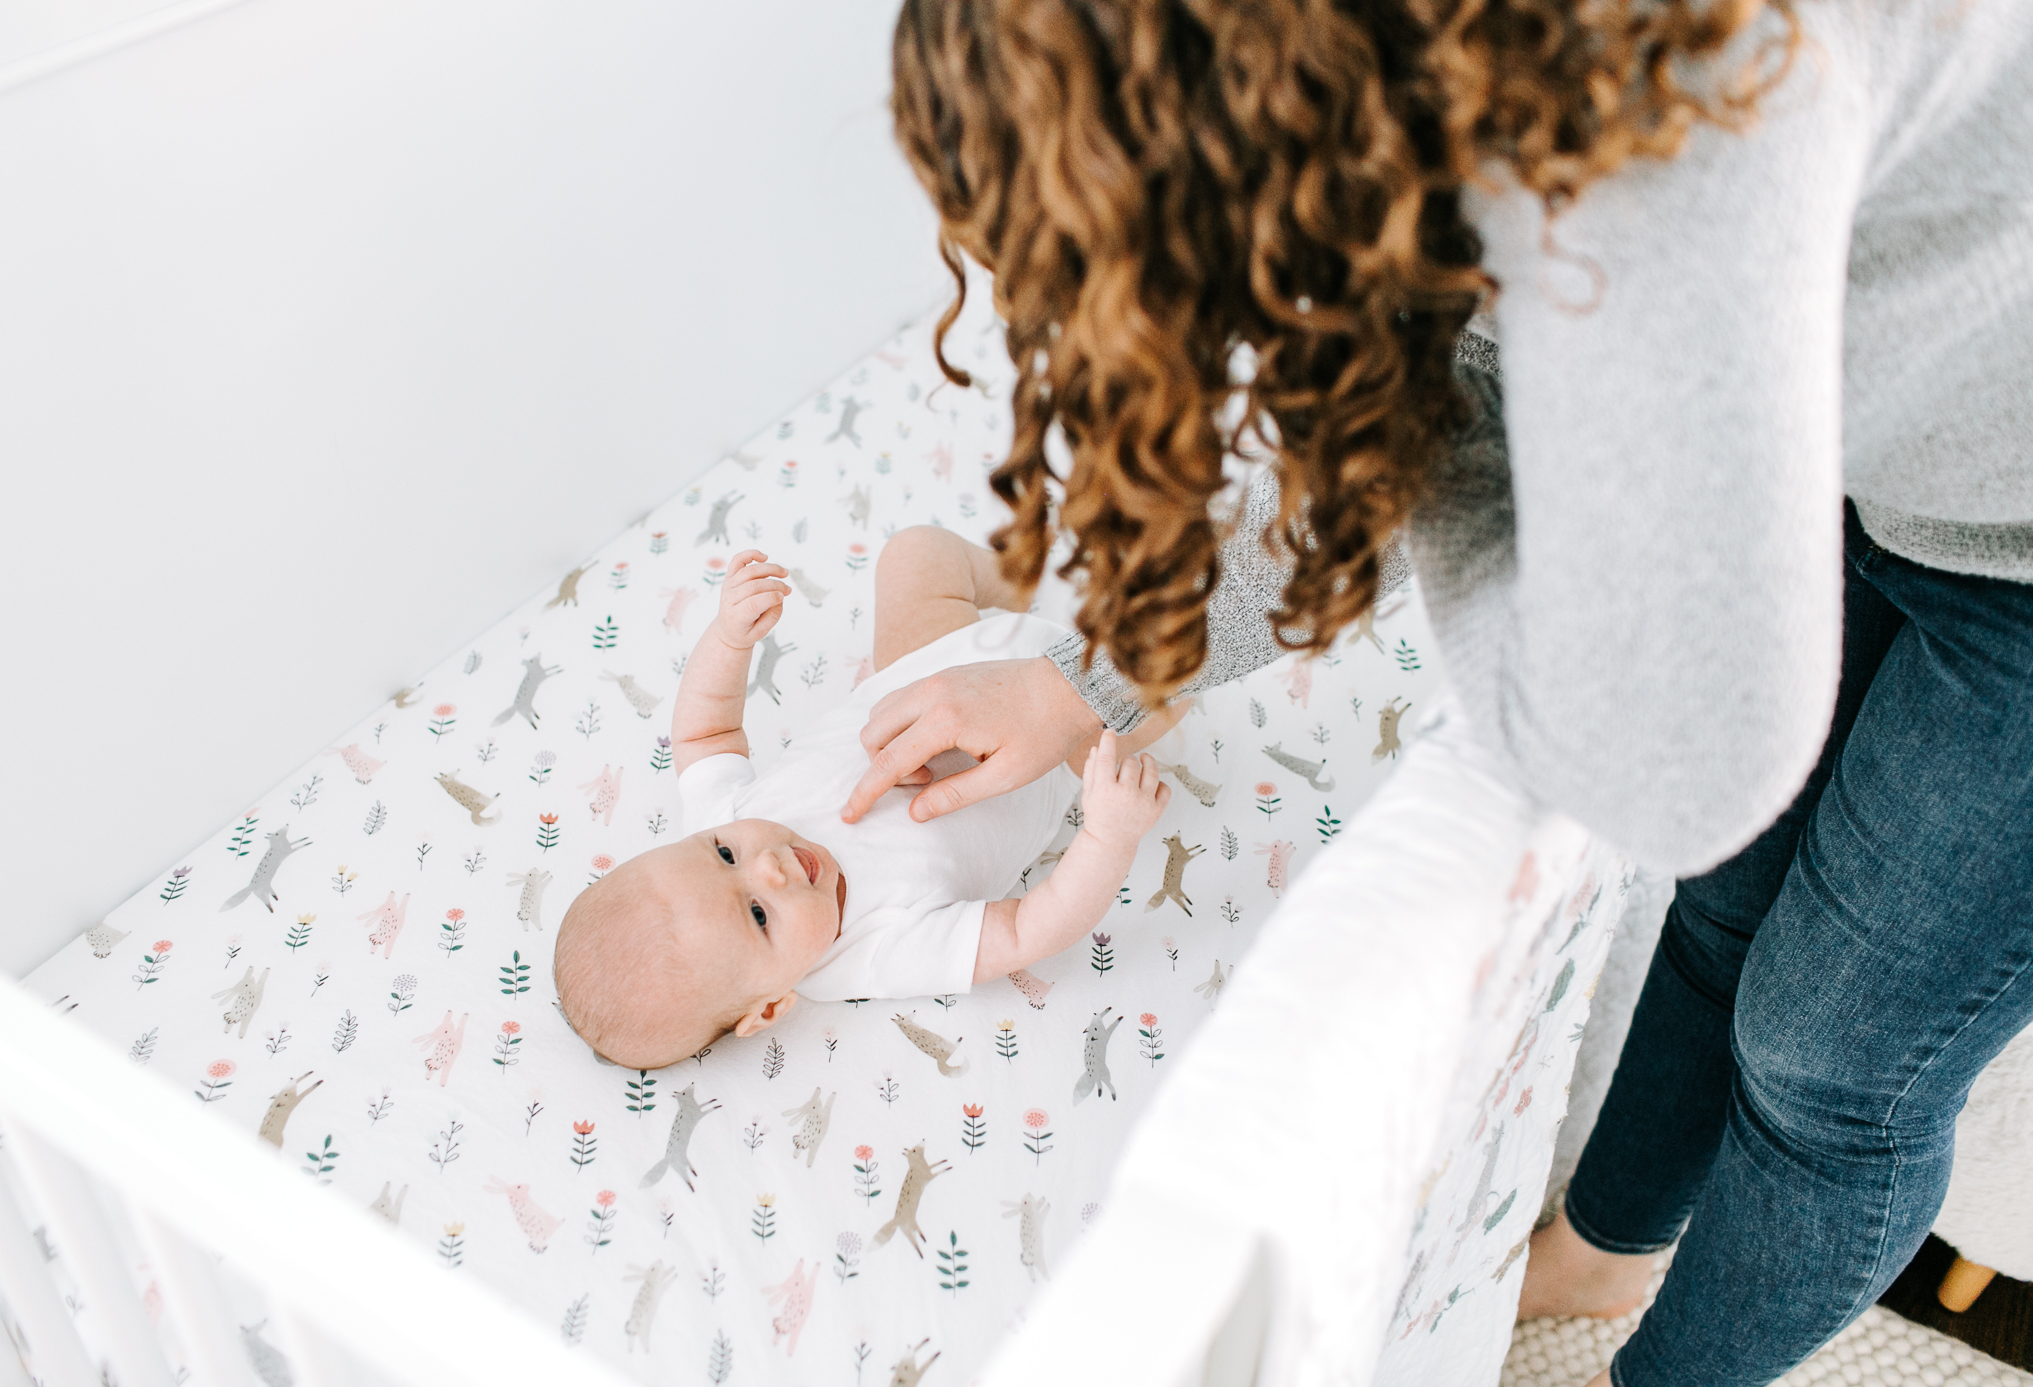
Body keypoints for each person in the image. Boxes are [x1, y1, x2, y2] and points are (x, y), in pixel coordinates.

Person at [857, 1, 2033, 1383]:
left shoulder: (1665, 143)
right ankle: (1611, 1242)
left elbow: (1678, 771)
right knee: (1724, 919)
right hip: (1892, 424)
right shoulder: (1468, 85)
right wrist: (1088, 683)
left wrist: (1437, 441)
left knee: (1827, 1069)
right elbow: (1448, 379)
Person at [551, 529, 1176, 1071]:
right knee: (1167, 686)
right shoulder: (877, 954)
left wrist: (729, 638)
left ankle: (1014, 583)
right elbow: (1027, 931)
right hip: (1059, 745)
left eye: (722, 855)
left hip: (936, 665)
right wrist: (1107, 837)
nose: (767, 866)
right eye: (760, 915)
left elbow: (704, 732)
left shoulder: (724, 816)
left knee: (915, 556)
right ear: (769, 1008)